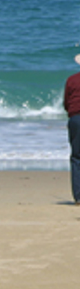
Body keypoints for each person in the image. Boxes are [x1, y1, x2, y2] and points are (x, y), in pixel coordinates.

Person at [64, 55, 80, 203]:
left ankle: (78, 196)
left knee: (76, 157)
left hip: (76, 119)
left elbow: (66, 103)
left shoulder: (72, 80)